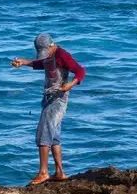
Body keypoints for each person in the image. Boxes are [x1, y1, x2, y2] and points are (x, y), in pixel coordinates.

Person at [11, 33, 85, 185]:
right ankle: (59, 172)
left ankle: (43, 172)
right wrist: (25, 63)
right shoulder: (49, 55)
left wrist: (70, 85)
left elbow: (80, 71)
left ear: (52, 45)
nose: (44, 55)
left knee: (43, 133)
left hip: (58, 99)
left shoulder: (63, 55)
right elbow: (42, 64)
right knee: (54, 136)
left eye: (45, 52)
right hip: (48, 98)